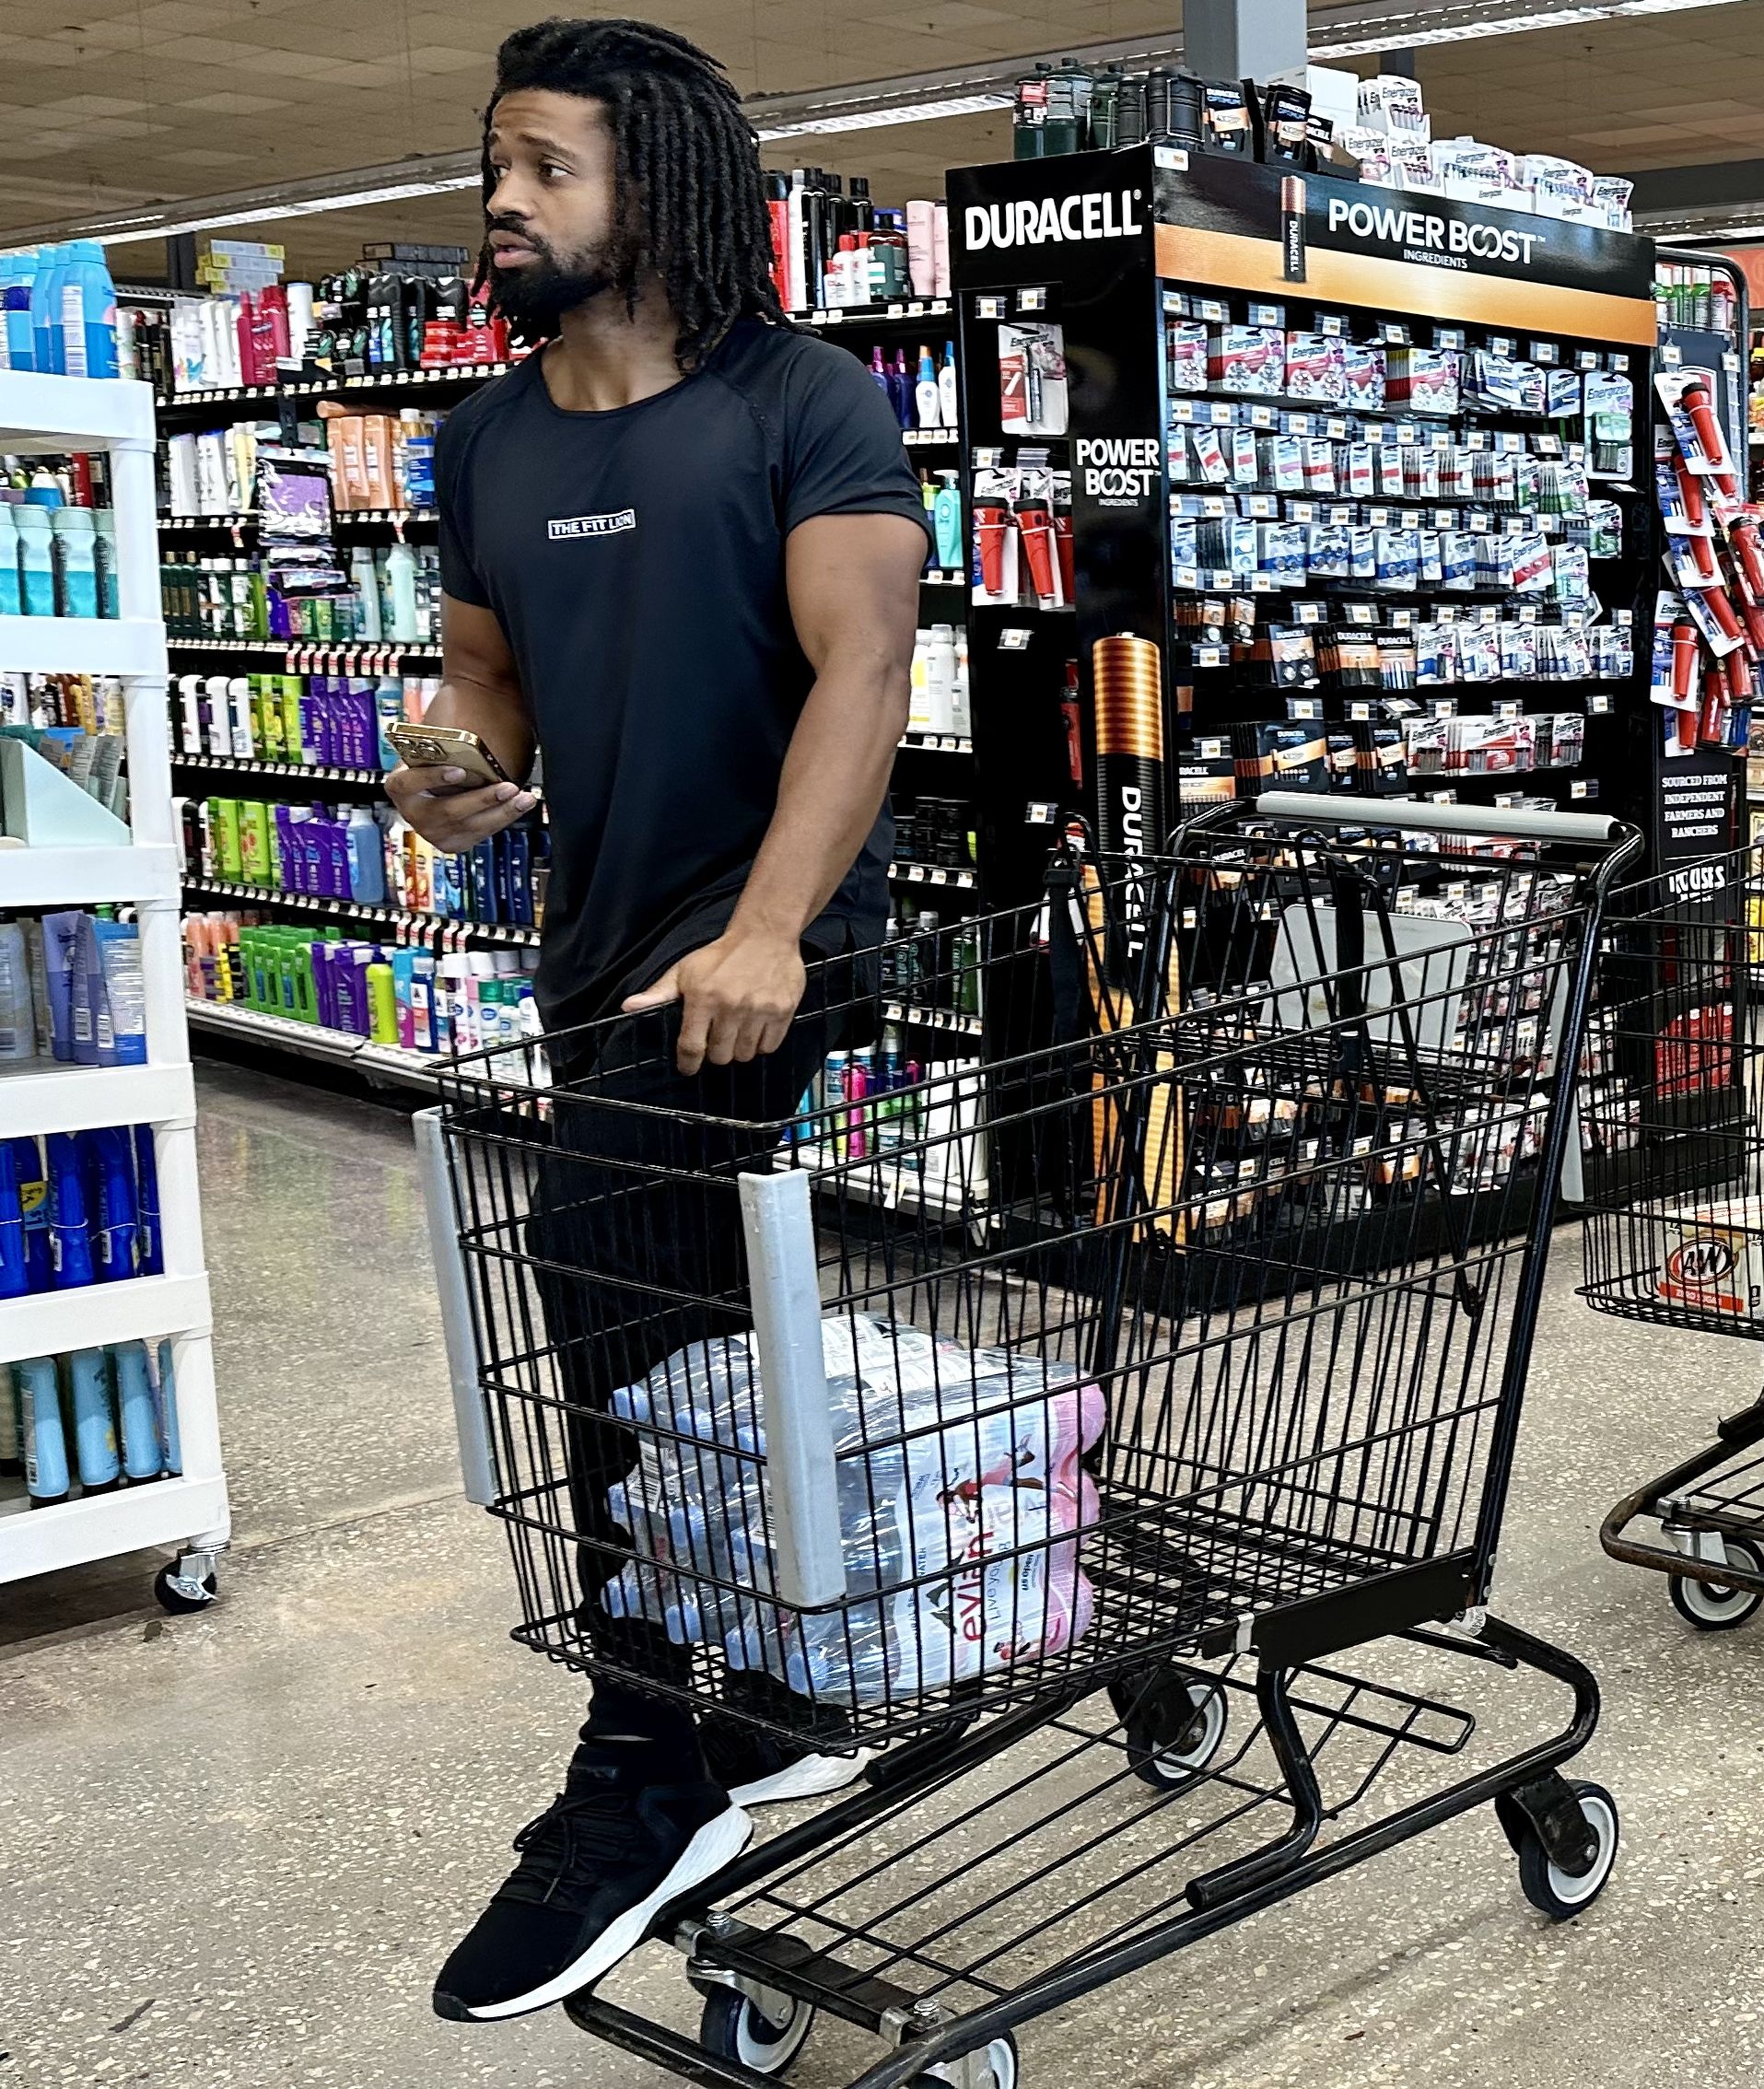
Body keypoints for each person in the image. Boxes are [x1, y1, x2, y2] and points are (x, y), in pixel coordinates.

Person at [402, 18, 929, 2026]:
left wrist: (777, 930)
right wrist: (448, 774)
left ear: (662, 189)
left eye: (545, 167)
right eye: (494, 166)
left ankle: (646, 1772)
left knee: (598, 1246)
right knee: (688, 1334)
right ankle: (785, 1683)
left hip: (761, 944)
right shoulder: (487, 438)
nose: (504, 202)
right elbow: (489, 696)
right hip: (595, 947)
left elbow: (865, 671)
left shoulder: (806, 403)